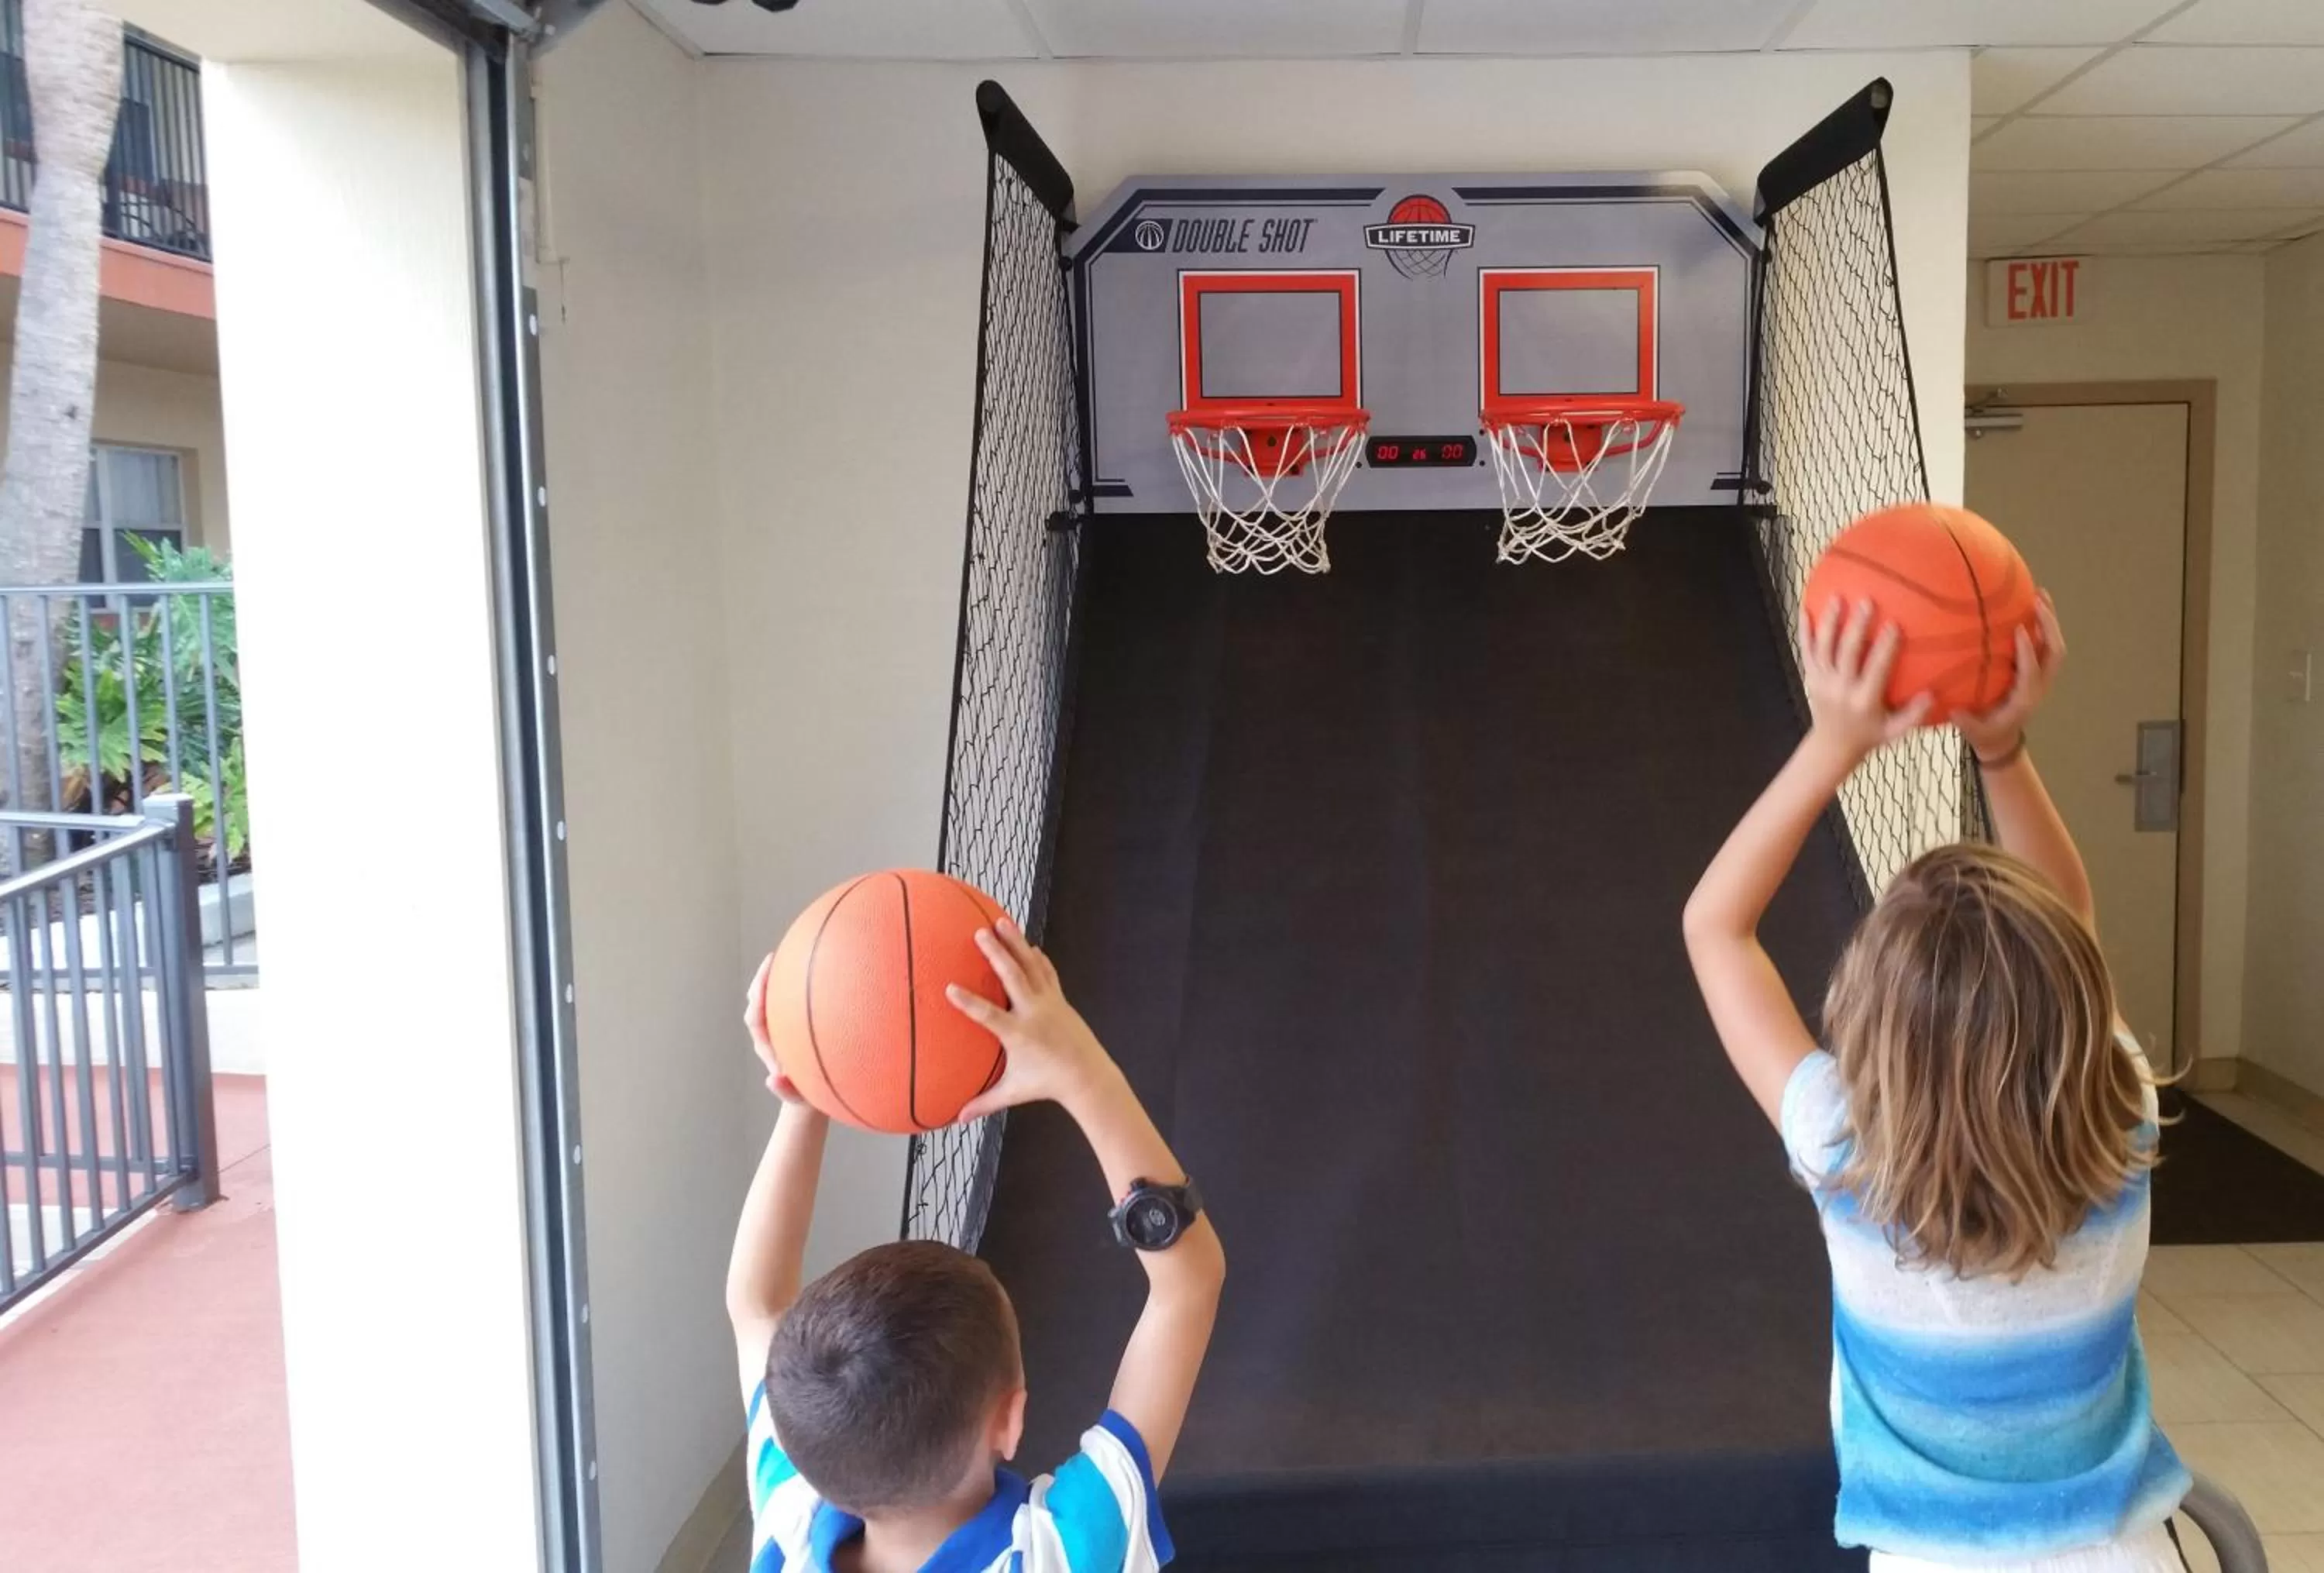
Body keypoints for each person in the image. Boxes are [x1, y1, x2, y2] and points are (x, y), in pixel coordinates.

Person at [1681, 594, 2189, 1571]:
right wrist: (2001, 753)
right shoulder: (2119, 1114)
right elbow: (2068, 924)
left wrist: (1834, 743)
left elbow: (1715, 926)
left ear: (1869, 1023)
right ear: (2083, 1005)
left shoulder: (1846, 1149)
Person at [726, 917, 1224, 1573]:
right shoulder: (1065, 1552)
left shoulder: (789, 1538)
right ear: (1009, 1422)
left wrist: (810, 1094)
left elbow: (757, 1303)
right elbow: (1190, 1284)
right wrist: (1083, 1071)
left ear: (800, 1447)